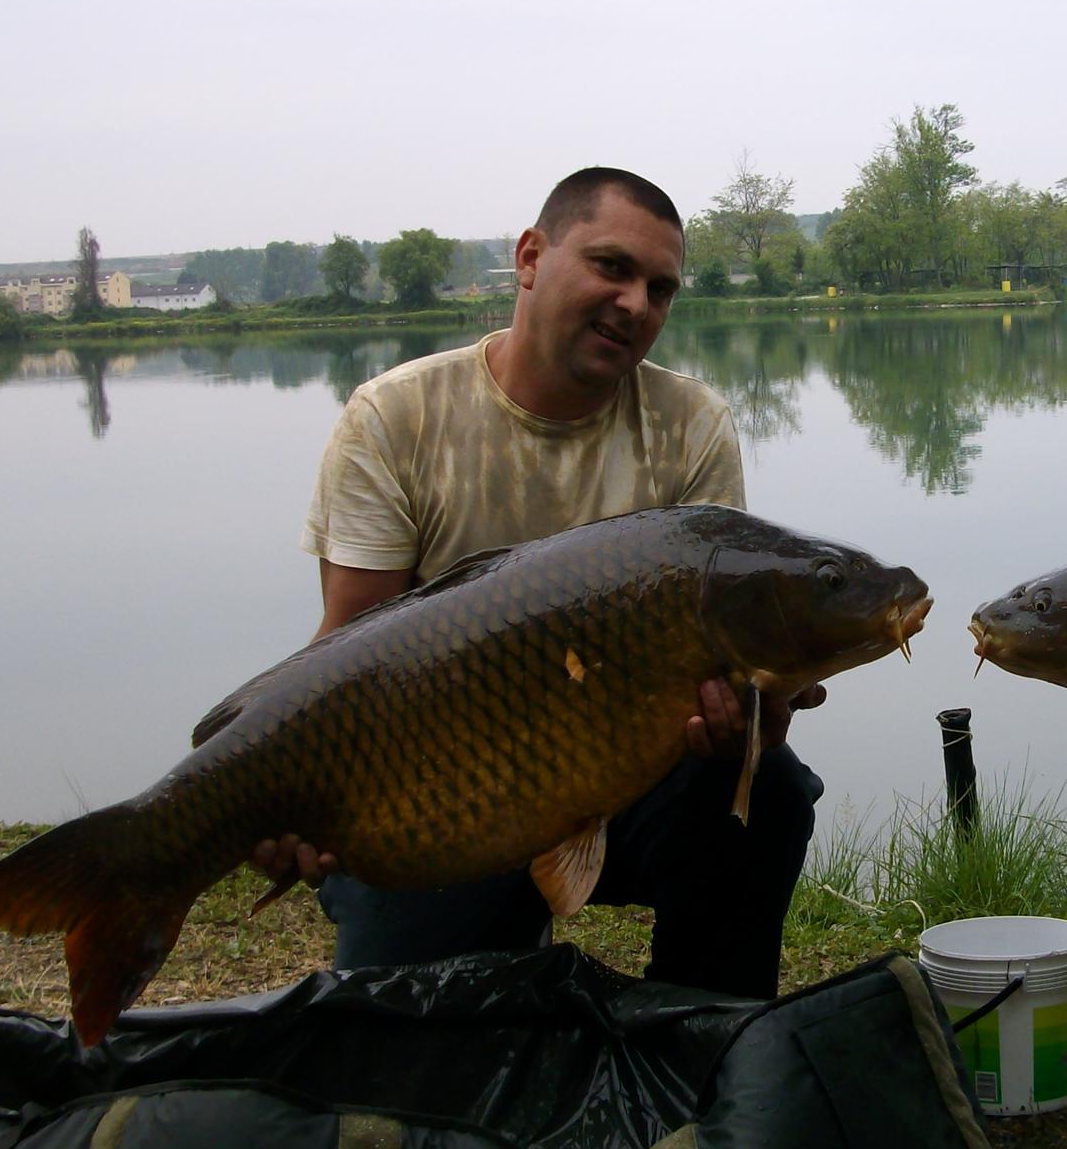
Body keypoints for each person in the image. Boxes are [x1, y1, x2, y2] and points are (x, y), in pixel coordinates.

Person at [250, 166, 823, 1000]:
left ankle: (704, 1042)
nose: (635, 303)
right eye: (612, 267)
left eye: (660, 289)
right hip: (431, 798)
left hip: (613, 772)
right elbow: (348, 645)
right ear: (529, 257)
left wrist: (755, 719)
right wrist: (285, 796)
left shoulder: (690, 425)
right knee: (419, 1047)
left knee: (764, 794)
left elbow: (715, 677)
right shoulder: (395, 416)